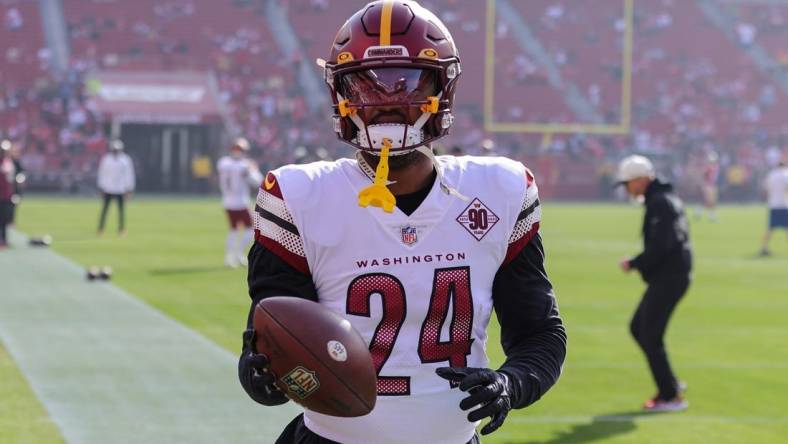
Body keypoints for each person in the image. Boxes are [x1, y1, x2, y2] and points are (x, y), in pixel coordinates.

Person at [237, 2, 567, 443]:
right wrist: (265, 375)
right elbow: (276, 334)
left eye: (407, 82)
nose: (387, 102)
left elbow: (539, 333)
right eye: (366, 86)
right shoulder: (299, 196)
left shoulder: (499, 191)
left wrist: (512, 382)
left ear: (442, 89)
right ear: (342, 95)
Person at [616, 154, 692, 412]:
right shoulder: (662, 199)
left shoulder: (660, 202)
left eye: (627, 183)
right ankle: (670, 385)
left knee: (649, 334)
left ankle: (670, 395)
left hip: (671, 277)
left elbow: (663, 245)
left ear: (639, 180)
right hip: (670, 276)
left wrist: (635, 263)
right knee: (640, 328)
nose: (627, 189)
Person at [217, 137, 262, 268]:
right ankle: (237, 255)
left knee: (234, 230)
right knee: (248, 230)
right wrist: (251, 168)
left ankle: (231, 257)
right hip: (240, 202)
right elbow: (257, 180)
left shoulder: (224, 162)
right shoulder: (243, 165)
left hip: (228, 201)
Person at [97, 139, 135, 236]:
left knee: (121, 211)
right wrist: (101, 187)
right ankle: (101, 228)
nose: (116, 151)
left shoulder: (125, 160)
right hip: (108, 188)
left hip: (120, 189)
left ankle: (121, 229)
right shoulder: (106, 159)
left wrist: (129, 189)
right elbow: (102, 173)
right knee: (105, 210)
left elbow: (129, 175)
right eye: (114, 149)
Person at [758, 160, 788, 256]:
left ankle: (764, 247)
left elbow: (766, 189)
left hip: (773, 204)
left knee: (770, 228)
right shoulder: (785, 174)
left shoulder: (771, 175)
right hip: (783, 204)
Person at [0, 140, 16, 248]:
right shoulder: (6, 162)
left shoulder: (8, 162)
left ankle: (4, 239)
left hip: (5, 196)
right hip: (3, 195)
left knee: (4, 219)